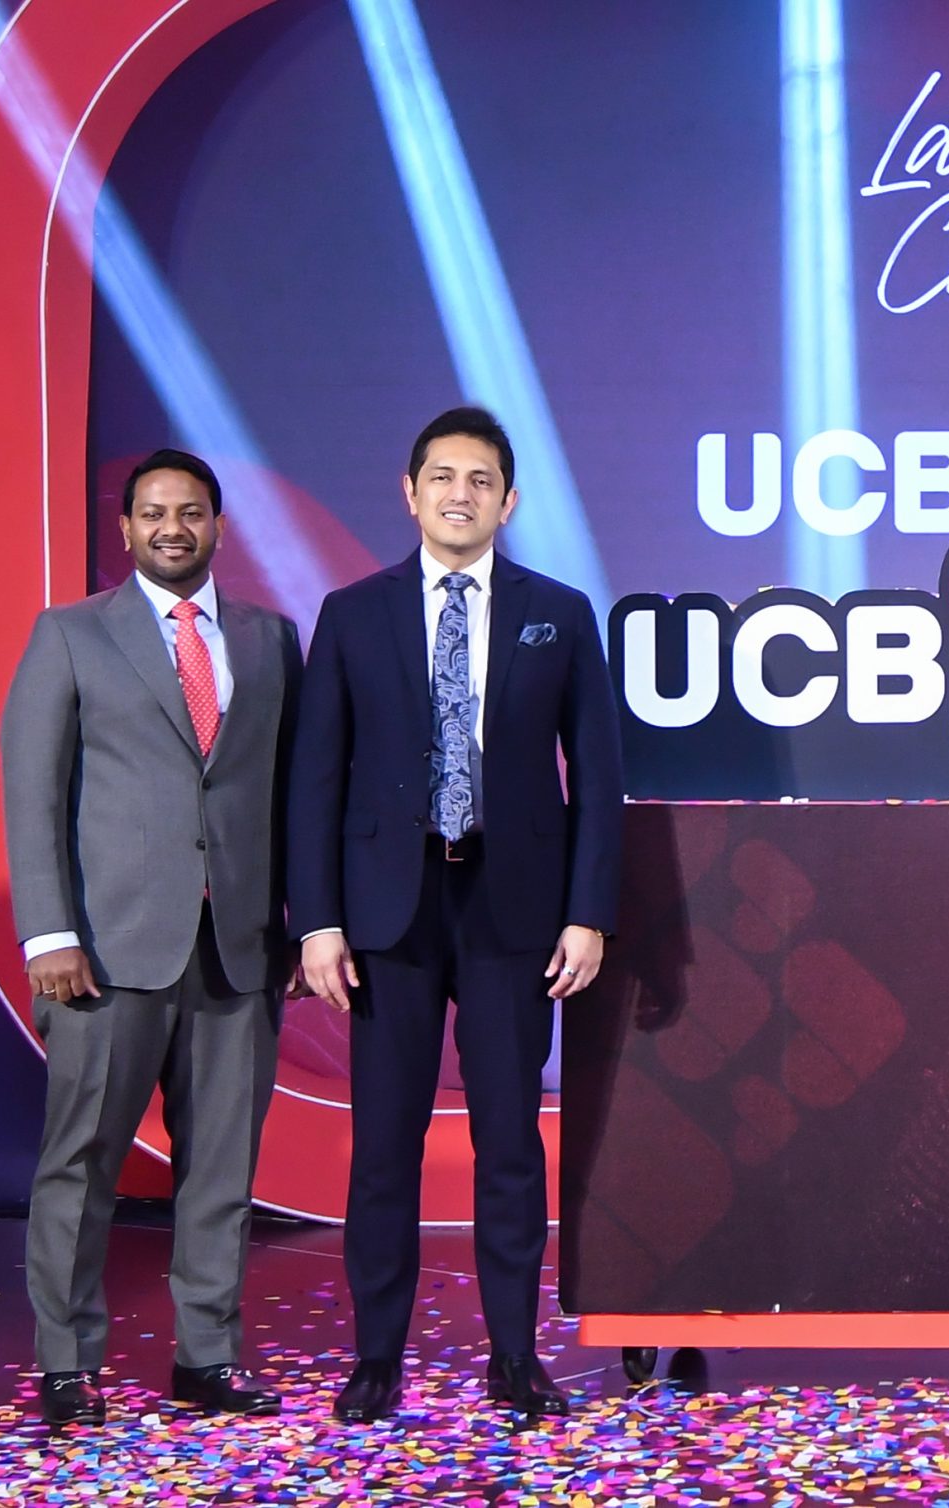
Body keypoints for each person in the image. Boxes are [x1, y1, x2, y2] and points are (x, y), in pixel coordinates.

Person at [289, 406, 624, 1420]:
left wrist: (587, 911)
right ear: (409, 492)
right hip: (388, 911)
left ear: (508, 501)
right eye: (442, 476)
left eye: (480, 480)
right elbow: (315, 779)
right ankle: (375, 1358)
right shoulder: (352, 613)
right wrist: (317, 920)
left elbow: (597, 777)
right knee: (384, 1144)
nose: (459, 494)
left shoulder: (559, 612)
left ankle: (514, 1354)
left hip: (512, 908)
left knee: (510, 1142)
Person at [0, 449, 299, 1425]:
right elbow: (32, 793)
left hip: (238, 950)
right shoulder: (70, 633)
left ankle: (206, 1356)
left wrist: (298, 926)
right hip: (104, 952)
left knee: (222, 1168)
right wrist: (49, 932)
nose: (174, 527)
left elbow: (291, 794)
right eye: (155, 512)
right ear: (125, 529)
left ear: (219, 526)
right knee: (82, 1162)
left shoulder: (269, 639)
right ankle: (67, 1364)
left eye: (193, 511)